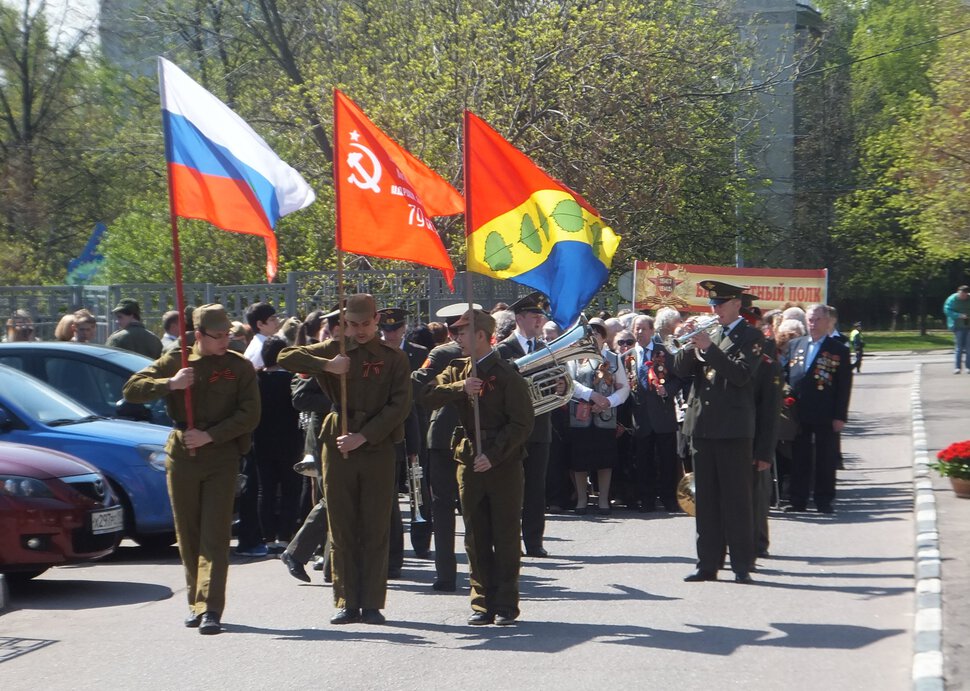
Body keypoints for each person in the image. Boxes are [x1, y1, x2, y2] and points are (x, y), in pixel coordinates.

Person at [123, 304, 260, 635]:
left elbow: (250, 413)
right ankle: (195, 603)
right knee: (188, 534)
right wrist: (171, 384)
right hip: (183, 453)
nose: (225, 341)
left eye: (228, 334)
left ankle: (211, 608)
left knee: (215, 533)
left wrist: (211, 434)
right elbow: (132, 389)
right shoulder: (177, 359)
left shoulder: (239, 366)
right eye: (217, 336)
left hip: (221, 454)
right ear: (198, 335)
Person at [278, 294, 411, 626]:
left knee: (375, 525)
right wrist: (325, 365)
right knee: (342, 525)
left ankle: (372, 603)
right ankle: (346, 601)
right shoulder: (334, 349)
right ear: (345, 323)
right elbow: (284, 356)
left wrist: (364, 436)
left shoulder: (394, 358)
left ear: (376, 320)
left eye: (365, 324)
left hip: (376, 444)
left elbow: (400, 406)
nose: (360, 331)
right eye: (353, 324)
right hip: (337, 442)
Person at [420, 309, 534, 625]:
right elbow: (426, 396)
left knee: (506, 534)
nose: (457, 338)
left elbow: (522, 423)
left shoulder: (507, 374)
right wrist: (459, 388)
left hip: (503, 461)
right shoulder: (457, 369)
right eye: (455, 333)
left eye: (463, 333)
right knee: (475, 533)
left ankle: (507, 604)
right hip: (469, 457)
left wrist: (495, 455)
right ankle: (482, 603)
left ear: (481, 336)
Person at [672, 280, 764, 584]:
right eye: (712, 305)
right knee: (706, 501)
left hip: (733, 430)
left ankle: (741, 564)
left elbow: (739, 375)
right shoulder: (708, 333)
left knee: (736, 500)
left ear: (737, 304)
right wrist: (687, 342)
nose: (715, 310)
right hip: (703, 427)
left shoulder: (751, 336)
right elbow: (681, 371)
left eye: (721, 304)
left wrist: (708, 347)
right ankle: (707, 564)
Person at [411, 303, 476, 592]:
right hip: (458, 438)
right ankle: (474, 573)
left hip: (448, 436)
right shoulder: (444, 354)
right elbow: (421, 390)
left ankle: (446, 575)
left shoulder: (440, 353)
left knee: (445, 508)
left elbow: (418, 385)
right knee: (459, 508)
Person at [495, 291, 551, 557]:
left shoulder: (545, 348)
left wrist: (560, 385)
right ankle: (509, 540)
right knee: (510, 487)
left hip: (540, 427)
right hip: (512, 427)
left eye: (541, 315)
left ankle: (534, 541)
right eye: (534, 315)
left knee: (536, 488)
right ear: (519, 318)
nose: (540, 320)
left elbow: (557, 382)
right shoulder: (502, 350)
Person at [783, 304, 852, 514]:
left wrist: (840, 415)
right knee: (800, 457)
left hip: (825, 412)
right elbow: (787, 375)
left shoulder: (838, 349)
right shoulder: (796, 344)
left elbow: (844, 385)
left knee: (825, 457)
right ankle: (798, 499)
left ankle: (824, 499)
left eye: (817, 320)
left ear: (828, 322)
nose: (812, 324)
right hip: (799, 411)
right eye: (810, 320)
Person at [566, 318, 629, 514]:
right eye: (589, 333)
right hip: (580, 414)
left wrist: (608, 402)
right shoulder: (575, 357)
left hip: (605, 416)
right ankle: (582, 499)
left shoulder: (613, 358)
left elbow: (624, 387)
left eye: (596, 333)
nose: (592, 337)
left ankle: (603, 499)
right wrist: (591, 395)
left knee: (605, 459)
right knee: (579, 459)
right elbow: (571, 383)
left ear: (603, 337)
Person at [252, 336, 304, 549]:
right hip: (290, 441)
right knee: (291, 489)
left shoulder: (256, 380)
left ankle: (268, 538)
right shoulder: (291, 380)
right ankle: (284, 536)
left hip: (261, 440)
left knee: (266, 489)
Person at [629, 314, 682, 512]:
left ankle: (669, 498)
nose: (639, 332)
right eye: (637, 328)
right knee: (644, 461)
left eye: (643, 328)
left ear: (652, 331)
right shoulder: (629, 356)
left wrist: (667, 390)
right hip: (641, 417)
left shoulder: (664, 352)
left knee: (667, 460)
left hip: (663, 415)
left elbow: (679, 379)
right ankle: (647, 499)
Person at [242, 301, 279, 370]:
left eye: (276, 318)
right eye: (272, 319)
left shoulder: (259, 343)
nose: (277, 322)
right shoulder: (263, 348)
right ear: (260, 324)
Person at [943, 285, 970, 373]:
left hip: (968, 325)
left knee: (969, 347)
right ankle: (957, 367)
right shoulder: (952, 299)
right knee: (959, 347)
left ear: (967, 294)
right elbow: (947, 310)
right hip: (957, 326)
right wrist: (958, 315)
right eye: (960, 294)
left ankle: (968, 367)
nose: (961, 296)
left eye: (964, 295)